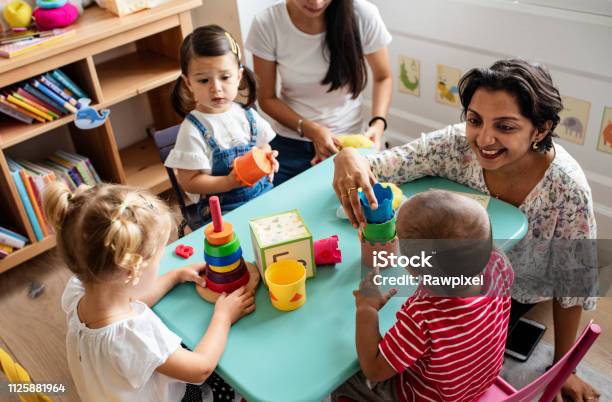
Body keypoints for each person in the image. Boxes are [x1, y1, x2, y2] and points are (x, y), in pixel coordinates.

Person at [332, 59, 599, 401]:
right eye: (474, 120)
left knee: (365, 352)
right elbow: (385, 164)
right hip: (478, 285)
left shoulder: (568, 189)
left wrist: (566, 367)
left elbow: (572, 284)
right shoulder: (455, 146)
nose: (484, 139)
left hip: (502, 294)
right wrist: (349, 157)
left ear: (541, 130)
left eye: (505, 126)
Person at [44, 182, 255, 402]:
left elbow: (129, 298)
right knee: (228, 384)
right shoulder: (134, 335)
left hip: (105, 393)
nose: (161, 262)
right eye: (158, 259)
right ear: (131, 271)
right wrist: (223, 317)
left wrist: (174, 276)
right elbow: (200, 368)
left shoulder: (78, 290)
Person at [333, 190, 513, 402]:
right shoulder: (499, 266)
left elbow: (374, 369)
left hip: (430, 397)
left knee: (344, 380)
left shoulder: (424, 313)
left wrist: (367, 309)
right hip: (476, 383)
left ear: (413, 266)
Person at [246, 0, 393, 185]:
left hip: (348, 141)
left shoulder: (363, 15)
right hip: (291, 141)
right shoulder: (267, 23)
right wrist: (311, 129)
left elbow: (383, 77)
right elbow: (266, 98)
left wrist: (378, 124)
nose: (316, 2)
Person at [166, 25, 279, 228]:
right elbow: (189, 181)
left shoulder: (247, 115)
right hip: (224, 213)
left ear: (238, 76)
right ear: (188, 83)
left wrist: (267, 160)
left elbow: (263, 147)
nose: (216, 87)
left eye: (225, 77)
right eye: (203, 80)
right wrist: (228, 182)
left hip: (263, 197)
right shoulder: (192, 130)